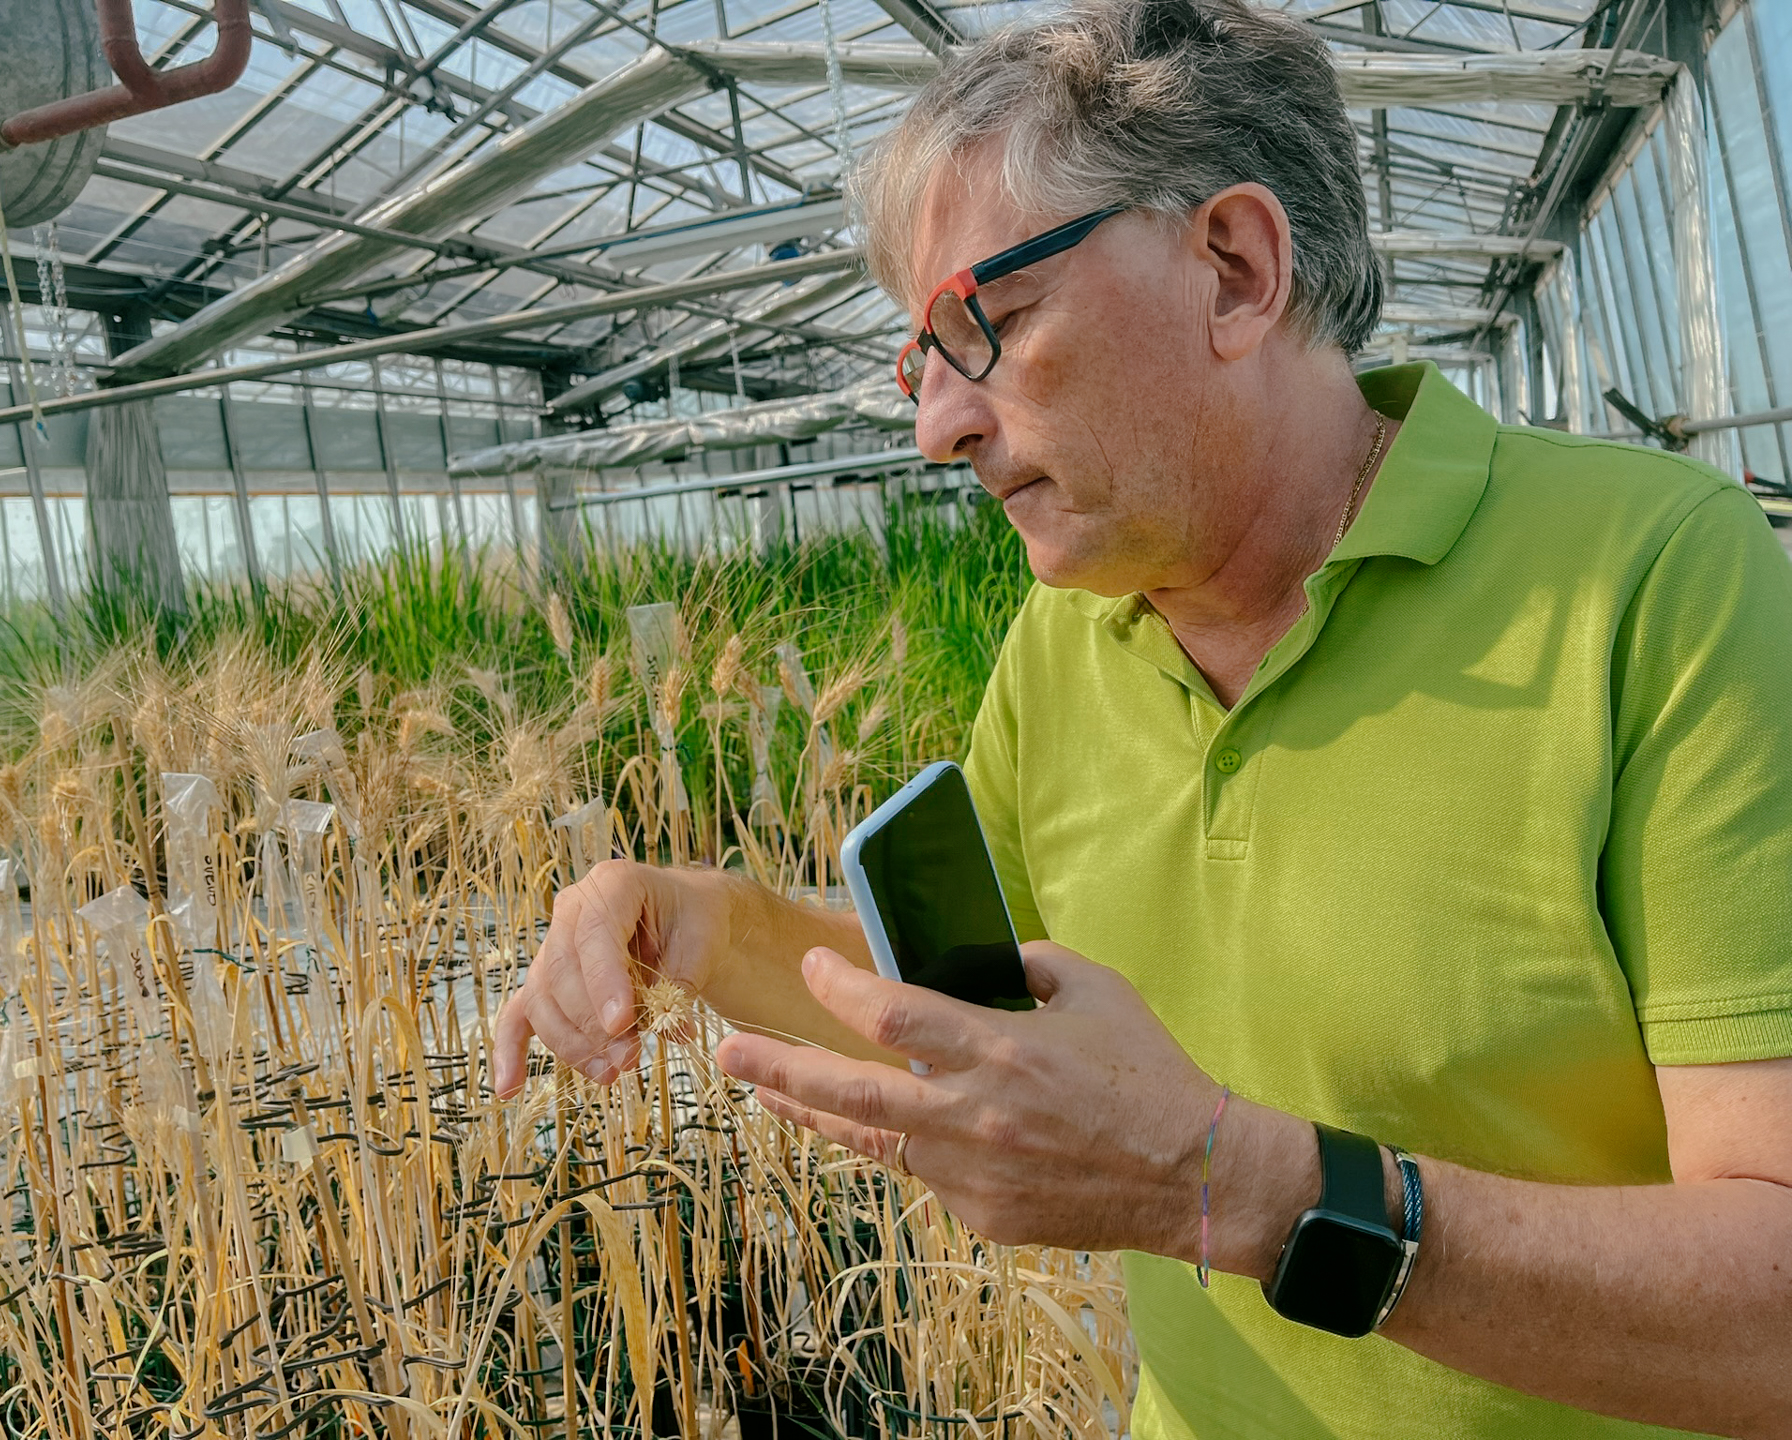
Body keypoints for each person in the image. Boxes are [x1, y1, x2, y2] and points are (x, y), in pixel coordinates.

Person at [492, 0, 1792, 1433]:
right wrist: (705, 924)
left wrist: (1243, 1193)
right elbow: (981, 1013)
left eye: (982, 322)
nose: (937, 424)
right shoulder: (1070, 638)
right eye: (918, 355)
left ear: (1234, 269)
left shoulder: (1652, 581)